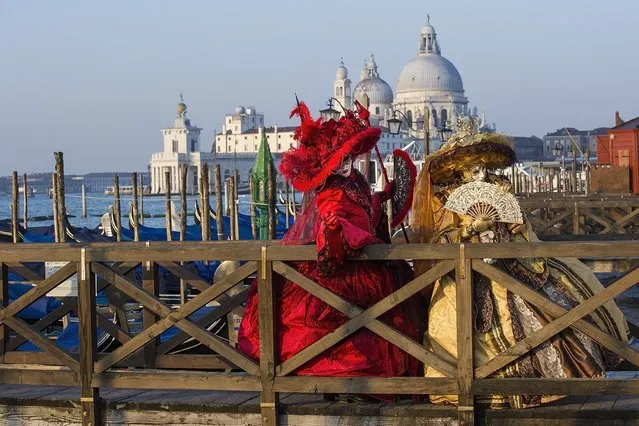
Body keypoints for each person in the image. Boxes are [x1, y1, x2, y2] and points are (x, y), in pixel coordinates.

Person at [410, 119, 629, 408]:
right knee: (467, 327)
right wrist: (471, 228)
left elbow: (523, 230)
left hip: (510, 264)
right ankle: (480, 386)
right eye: (475, 168)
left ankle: (552, 381)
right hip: (466, 273)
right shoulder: (449, 201)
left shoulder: (501, 192)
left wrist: (517, 230)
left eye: (485, 167)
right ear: (460, 171)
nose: (482, 174)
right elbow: (439, 243)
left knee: (564, 294)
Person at [238, 100, 418, 384]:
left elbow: (365, 209)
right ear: (332, 163)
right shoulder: (330, 192)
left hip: (366, 261)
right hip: (343, 267)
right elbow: (336, 222)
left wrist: (383, 198)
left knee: (384, 319)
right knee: (341, 325)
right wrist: (340, 230)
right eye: (342, 160)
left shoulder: (356, 180)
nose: (348, 164)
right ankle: (347, 380)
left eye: (350, 157)